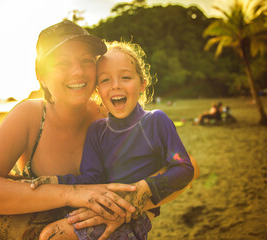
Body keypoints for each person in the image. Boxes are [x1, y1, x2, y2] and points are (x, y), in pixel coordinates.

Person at [0, 20, 199, 239]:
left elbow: (188, 168)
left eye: (86, 61)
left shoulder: (106, 115)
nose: (78, 71)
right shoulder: (30, 116)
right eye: (62, 63)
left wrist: (119, 210)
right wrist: (73, 193)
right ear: (41, 74)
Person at [31, 41, 195, 240]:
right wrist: (55, 181)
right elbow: (91, 178)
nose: (116, 85)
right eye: (105, 80)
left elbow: (184, 168)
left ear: (142, 84)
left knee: (51, 235)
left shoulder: (155, 121)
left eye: (126, 77)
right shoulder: (97, 131)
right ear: (97, 89)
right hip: (105, 206)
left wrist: (145, 188)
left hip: (134, 218)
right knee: (48, 233)